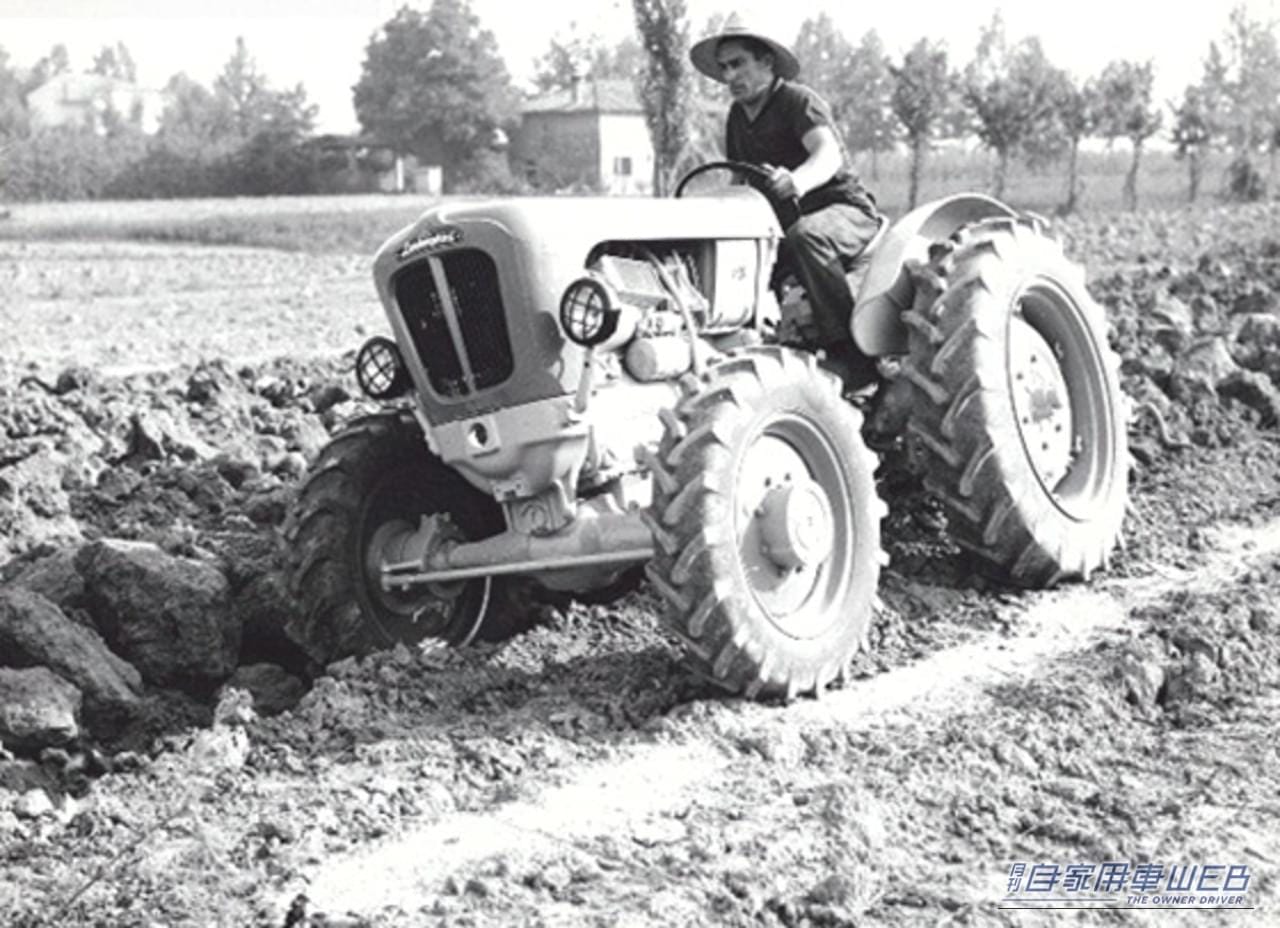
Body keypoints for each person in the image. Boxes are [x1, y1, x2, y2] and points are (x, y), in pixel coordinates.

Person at [690, 15, 883, 385]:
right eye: (725, 67)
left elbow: (827, 154)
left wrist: (796, 181)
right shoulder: (737, 117)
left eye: (739, 63)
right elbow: (738, 176)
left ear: (766, 62)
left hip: (843, 212)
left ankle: (853, 357)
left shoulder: (797, 100)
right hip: (785, 222)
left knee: (806, 236)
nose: (730, 76)